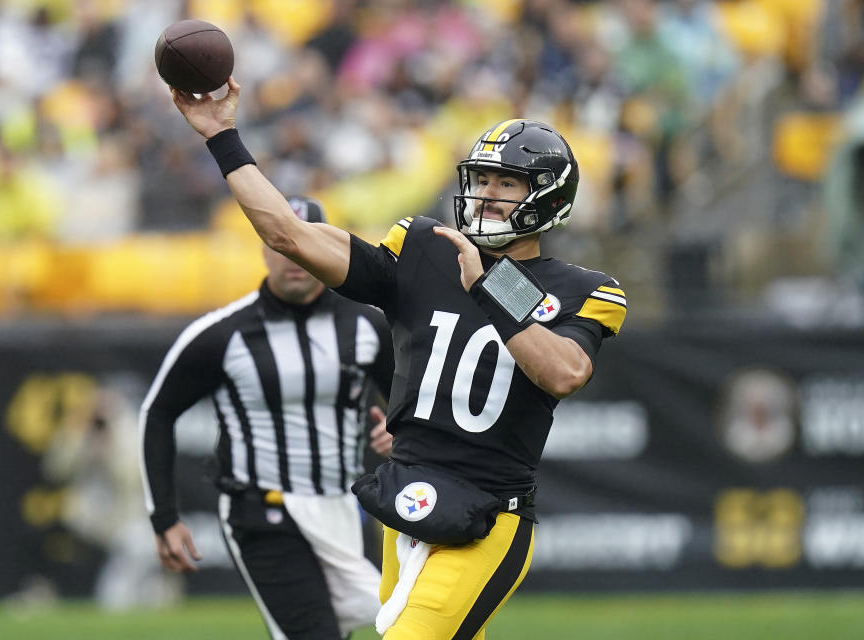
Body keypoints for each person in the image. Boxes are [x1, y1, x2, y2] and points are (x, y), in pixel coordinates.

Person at [169, 78, 627, 640]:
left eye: (506, 183)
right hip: (406, 499)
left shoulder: (587, 289)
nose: (485, 194)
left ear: (548, 198)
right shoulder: (421, 247)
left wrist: (491, 286)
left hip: (488, 515)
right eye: (480, 178)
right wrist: (221, 136)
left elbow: (564, 372)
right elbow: (286, 234)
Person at [140, 195, 395, 640]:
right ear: (263, 248)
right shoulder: (222, 333)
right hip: (264, 510)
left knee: (396, 625)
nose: (294, 256)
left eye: (306, 244)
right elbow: (158, 412)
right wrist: (164, 516)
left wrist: (401, 432)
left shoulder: (367, 326)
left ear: (327, 249)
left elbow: (411, 407)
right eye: (282, 244)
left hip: (343, 507)